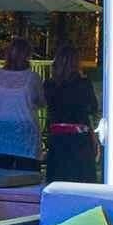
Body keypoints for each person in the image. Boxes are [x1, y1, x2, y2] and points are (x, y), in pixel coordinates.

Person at [0, 35, 43, 164]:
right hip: (25, 129)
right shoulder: (33, 78)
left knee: (0, 173)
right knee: (27, 173)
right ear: (28, 55)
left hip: (1, 129)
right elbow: (41, 101)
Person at [45, 48, 100, 183]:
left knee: (58, 178)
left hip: (57, 138)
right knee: (82, 180)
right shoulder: (83, 83)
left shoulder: (49, 85)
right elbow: (93, 107)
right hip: (79, 138)